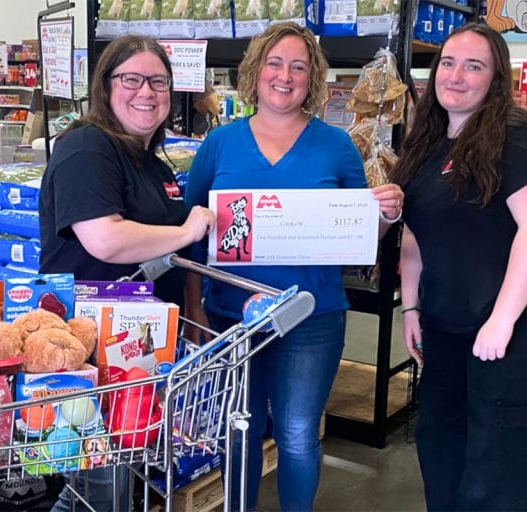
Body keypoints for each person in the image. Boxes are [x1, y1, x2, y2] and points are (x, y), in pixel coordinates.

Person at [184, 22, 404, 511]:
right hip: (231, 319)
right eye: (275, 63)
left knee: (299, 433)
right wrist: (195, 307)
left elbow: (357, 237)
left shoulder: (336, 146)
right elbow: (191, 232)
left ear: (313, 78)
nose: (285, 76)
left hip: (312, 317)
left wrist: (384, 217)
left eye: (299, 67)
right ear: (255, 71)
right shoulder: (220, 144)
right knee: (237, 430)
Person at [389, 22, 527, 511]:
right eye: (448, 62)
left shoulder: (516, 135)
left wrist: (501, 320)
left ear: (496, 78)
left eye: (474, 66)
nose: (457, 75)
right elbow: (415, 235)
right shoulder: (426, 141)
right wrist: (411, 309)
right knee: (441, 449)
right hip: (445, 325)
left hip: (512, 328)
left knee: (500, 465)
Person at [38, 34, 215, 511]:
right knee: (92, 486)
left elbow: (176, 256)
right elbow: (105, 238)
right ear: (105, 86)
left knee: (116, 479)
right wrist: (187, 230)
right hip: (87, 351)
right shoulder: (85, 147)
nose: (146, 92)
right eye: (131, 79)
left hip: (134, 350)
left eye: (158, 81)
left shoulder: (153, 164)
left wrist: (194, 314)